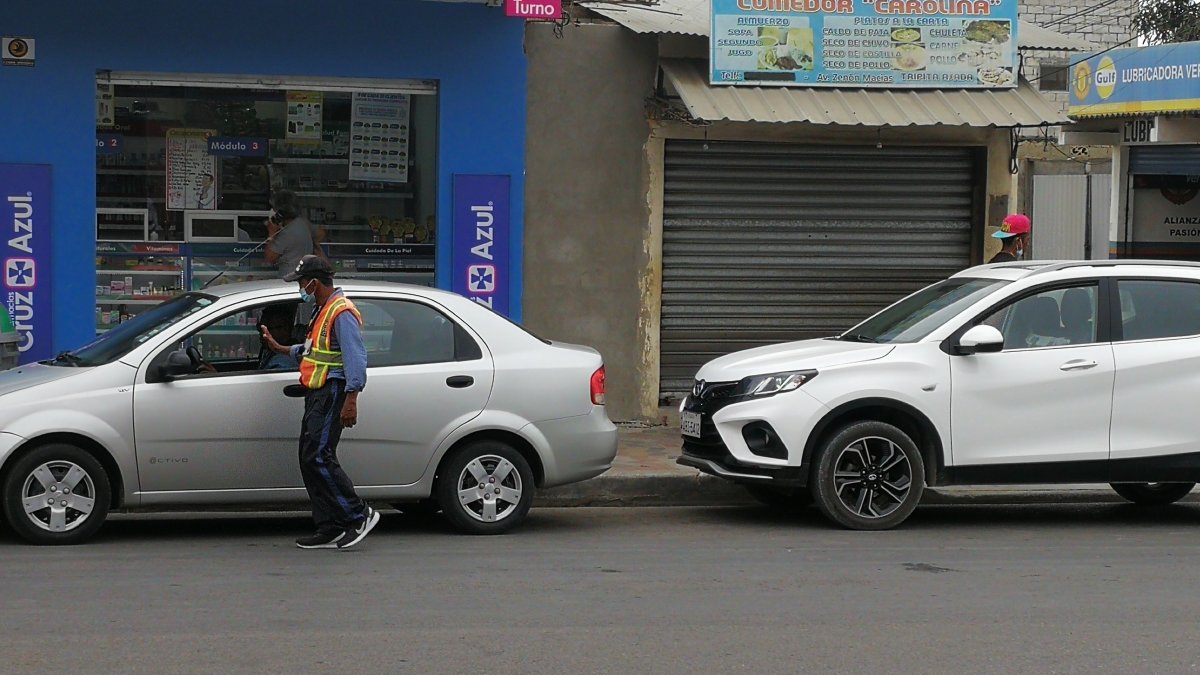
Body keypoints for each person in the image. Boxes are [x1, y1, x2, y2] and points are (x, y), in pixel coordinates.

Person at [259, 255, 379, 549]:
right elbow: (315, 351)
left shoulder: (341, 312)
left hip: (332, 392)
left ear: (314, 282)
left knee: (319, 456)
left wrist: (352, 399)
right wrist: (281, 348)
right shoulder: (322, 310)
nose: (300, 287)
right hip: (318, 392)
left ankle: (357, 514)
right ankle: (330, 525)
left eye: (302, 282)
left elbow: (355, 358)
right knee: (309, 457)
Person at [263, 190, 328, 279]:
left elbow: (270, 258)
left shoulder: (286, 233)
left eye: (274, 208)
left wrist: (271, 234)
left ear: (280, 212)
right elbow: (321, 233)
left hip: (289, 278)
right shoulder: (303, 223)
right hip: (305, 275)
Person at [257, 304, 298, 371]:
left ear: (285, 329)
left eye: (267, 328)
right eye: (259, 327)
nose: (262, 333)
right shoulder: (272, 353)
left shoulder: (282, 364)